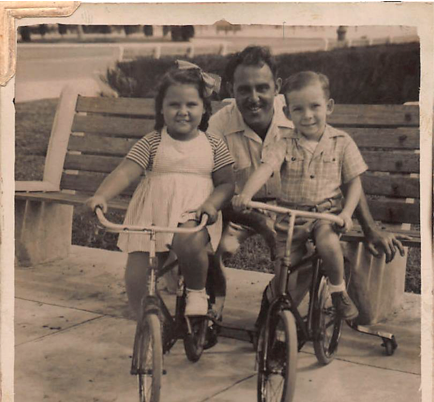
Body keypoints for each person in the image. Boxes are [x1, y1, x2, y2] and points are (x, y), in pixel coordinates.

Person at [208, 46, 405, 329]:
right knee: (215, 245)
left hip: (305, 209)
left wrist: (369, 227)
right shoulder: (220, 125)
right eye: (244, 89)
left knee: (306, 256)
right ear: (231, 89)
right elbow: (223, 185)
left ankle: (278, 308)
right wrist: (254, 213)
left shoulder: (300, 112)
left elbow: (347, 175)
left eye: (262, 88)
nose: (254, 98)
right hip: (246, 209)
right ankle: (213, 309)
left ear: (276, 88)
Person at [86, 61, 235, 318]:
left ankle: (197, 292)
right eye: (174, 104)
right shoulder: (153, 142)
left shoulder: (212, 144)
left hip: (195, 213)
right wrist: (101, 195)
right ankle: (142, 316)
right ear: (162, 109)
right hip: (153, 215)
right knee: (137, 269)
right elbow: (125, 171)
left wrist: (212, 204)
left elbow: (227, 183)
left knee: (189, 242)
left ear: (204, 108)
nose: (182, 111)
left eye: (191, 105)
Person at [233, 71, 365, 319]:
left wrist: (347, 212)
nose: (307, 116)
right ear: (287, 113)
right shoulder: (284, 143)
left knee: (327, 242)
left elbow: (354, 182)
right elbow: (265, 169)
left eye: (315, 107)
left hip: (326, 214)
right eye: (298, 109)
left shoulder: (342, 141)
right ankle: (277, 314)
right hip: (291, 219)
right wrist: (245, 194)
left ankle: (338, 291)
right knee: (284, 269)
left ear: (329, 107)